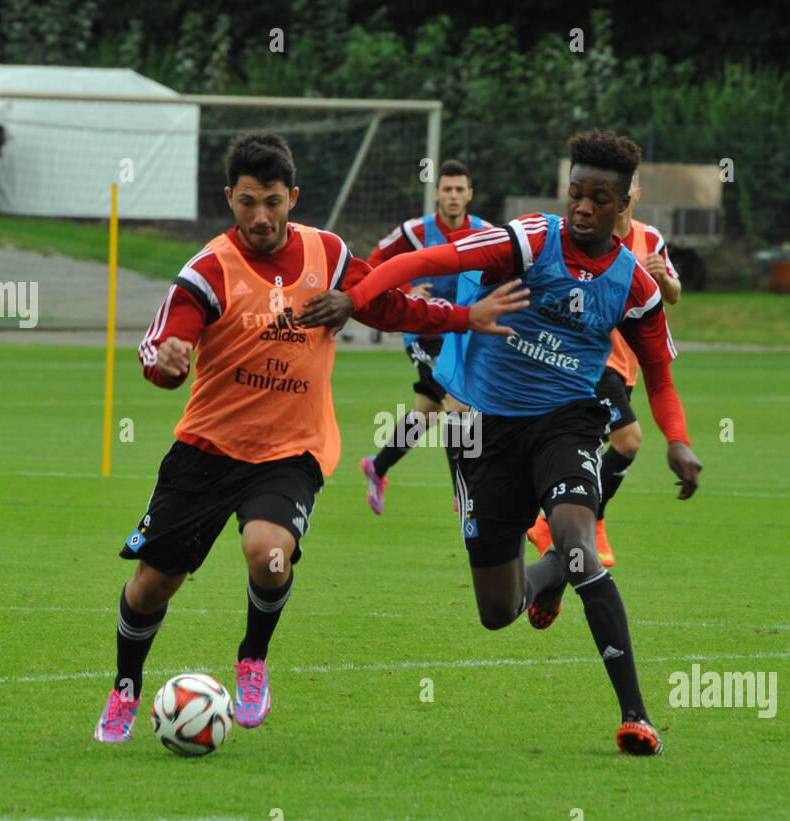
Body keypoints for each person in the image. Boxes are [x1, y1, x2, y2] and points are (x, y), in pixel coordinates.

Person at [94, 132, 525, 743]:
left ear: (292, 197)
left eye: (272, 201)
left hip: (292, 450)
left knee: (269, 552)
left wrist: (462, 317)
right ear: (229, 199)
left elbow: (389, 305)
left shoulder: (329, 254)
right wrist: (165, 364)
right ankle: (126, 689)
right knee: (153, 583)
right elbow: (164, 344)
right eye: (247, 203)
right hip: (208, 450)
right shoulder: (209, 269)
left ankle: (252, 659)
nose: (260, 217)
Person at [301, 130, 702, 756]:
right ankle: (545, 580)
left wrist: (676, 440)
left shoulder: (635, 284)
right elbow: (427, 264)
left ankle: (635, 715)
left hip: (566, 420)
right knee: (498, 609)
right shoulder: (529, 239)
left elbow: (659, 374)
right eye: (576, 193)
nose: (583, 207)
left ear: (625, 205)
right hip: (482, 428)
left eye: (600, 198)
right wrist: (354, 298)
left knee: (577, 539)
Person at [527, 173, 682, 565]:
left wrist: (662, 277)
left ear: (636, 194)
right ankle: (588, 521)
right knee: (628, 442)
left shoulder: (651, 238)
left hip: (628, 363)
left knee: (593, 451)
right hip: (594, 362)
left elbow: (675, 296)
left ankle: (556, 525)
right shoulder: (586, 237)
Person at [358, 159, 491, 514]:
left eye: (459, 189)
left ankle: (378, 466)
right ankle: (463, 493)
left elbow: (505, 272)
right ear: (436, 194)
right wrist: (405, 288)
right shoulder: (414, 232)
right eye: (446, 189)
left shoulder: (484, 230)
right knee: (459, 404)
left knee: (429, 412)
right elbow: (372, 265)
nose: (453, 195)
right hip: (421, 330)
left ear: (469, 194)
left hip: (460, 331)